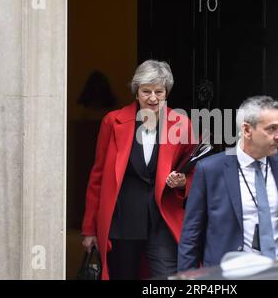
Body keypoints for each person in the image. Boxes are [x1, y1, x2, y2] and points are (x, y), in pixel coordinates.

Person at [81, 60, 196, 280]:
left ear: (166, 92)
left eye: (159, 92)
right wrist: (89, 229)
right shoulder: (113, 122)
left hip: (162, 218)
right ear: (136, 92)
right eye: (146, 91)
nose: (153, 98)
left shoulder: (181, 123)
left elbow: (195, 168)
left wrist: (183, 182)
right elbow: (97, 176)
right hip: (122, 219)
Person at [178, 95, 278, 271]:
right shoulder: (210, 170)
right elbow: (191, 235)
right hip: (230, 275)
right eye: (272, 129)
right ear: (247, 130)